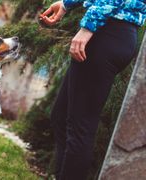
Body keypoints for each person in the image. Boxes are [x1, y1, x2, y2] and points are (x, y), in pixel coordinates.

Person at [39, 0, 146, 179]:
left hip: (108, 30)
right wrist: (66, 4)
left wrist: (88, 27)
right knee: (61, 116)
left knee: (80, 128)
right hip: (113, 31)